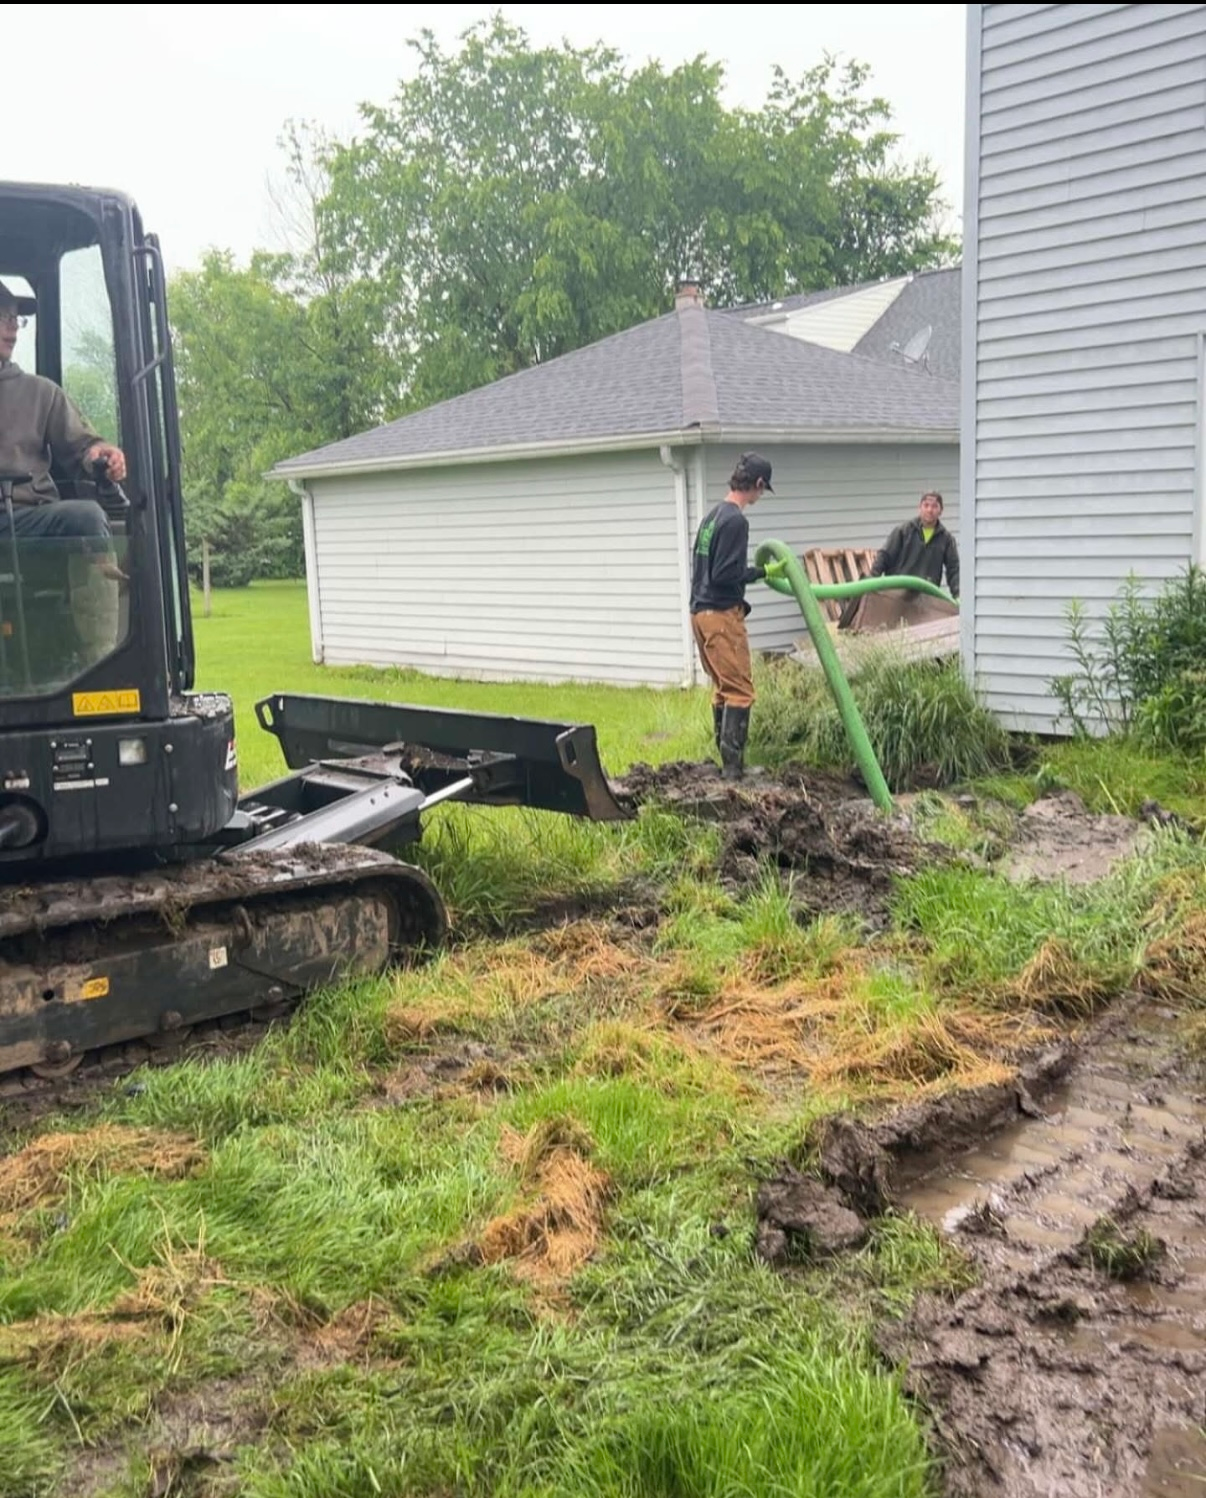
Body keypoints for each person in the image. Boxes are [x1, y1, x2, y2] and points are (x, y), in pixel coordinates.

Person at [0, 280, 127, 669]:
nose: (12, 328)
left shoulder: (42, 394)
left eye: (14, 319)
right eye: (1, 318)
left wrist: (101, 453)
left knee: (86, 516)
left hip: (27, 519)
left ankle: (97, 664)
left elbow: (83, 447)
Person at [689, 452, 785, 782]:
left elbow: (704, 570)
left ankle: (727, 767)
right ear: (758, 484)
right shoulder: (736, 521)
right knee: (741, 690)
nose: (761, 496)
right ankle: (733, 772)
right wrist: (761, 571)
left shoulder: (712, 517)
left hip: (699, 613)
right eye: (763, 489)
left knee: (723, 688)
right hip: (719, 615)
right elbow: (724, 574)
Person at [869, 490, 959, 599]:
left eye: (934, 506)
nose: (930, 510)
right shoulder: (903, 531)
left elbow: (953, 570)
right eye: (926, 505)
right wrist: (871, 583)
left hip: (927, 599)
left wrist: (958, 595)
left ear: (941, 511)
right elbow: (884, 556)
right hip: (898, 595)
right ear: (919, 508)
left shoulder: (946, 540)